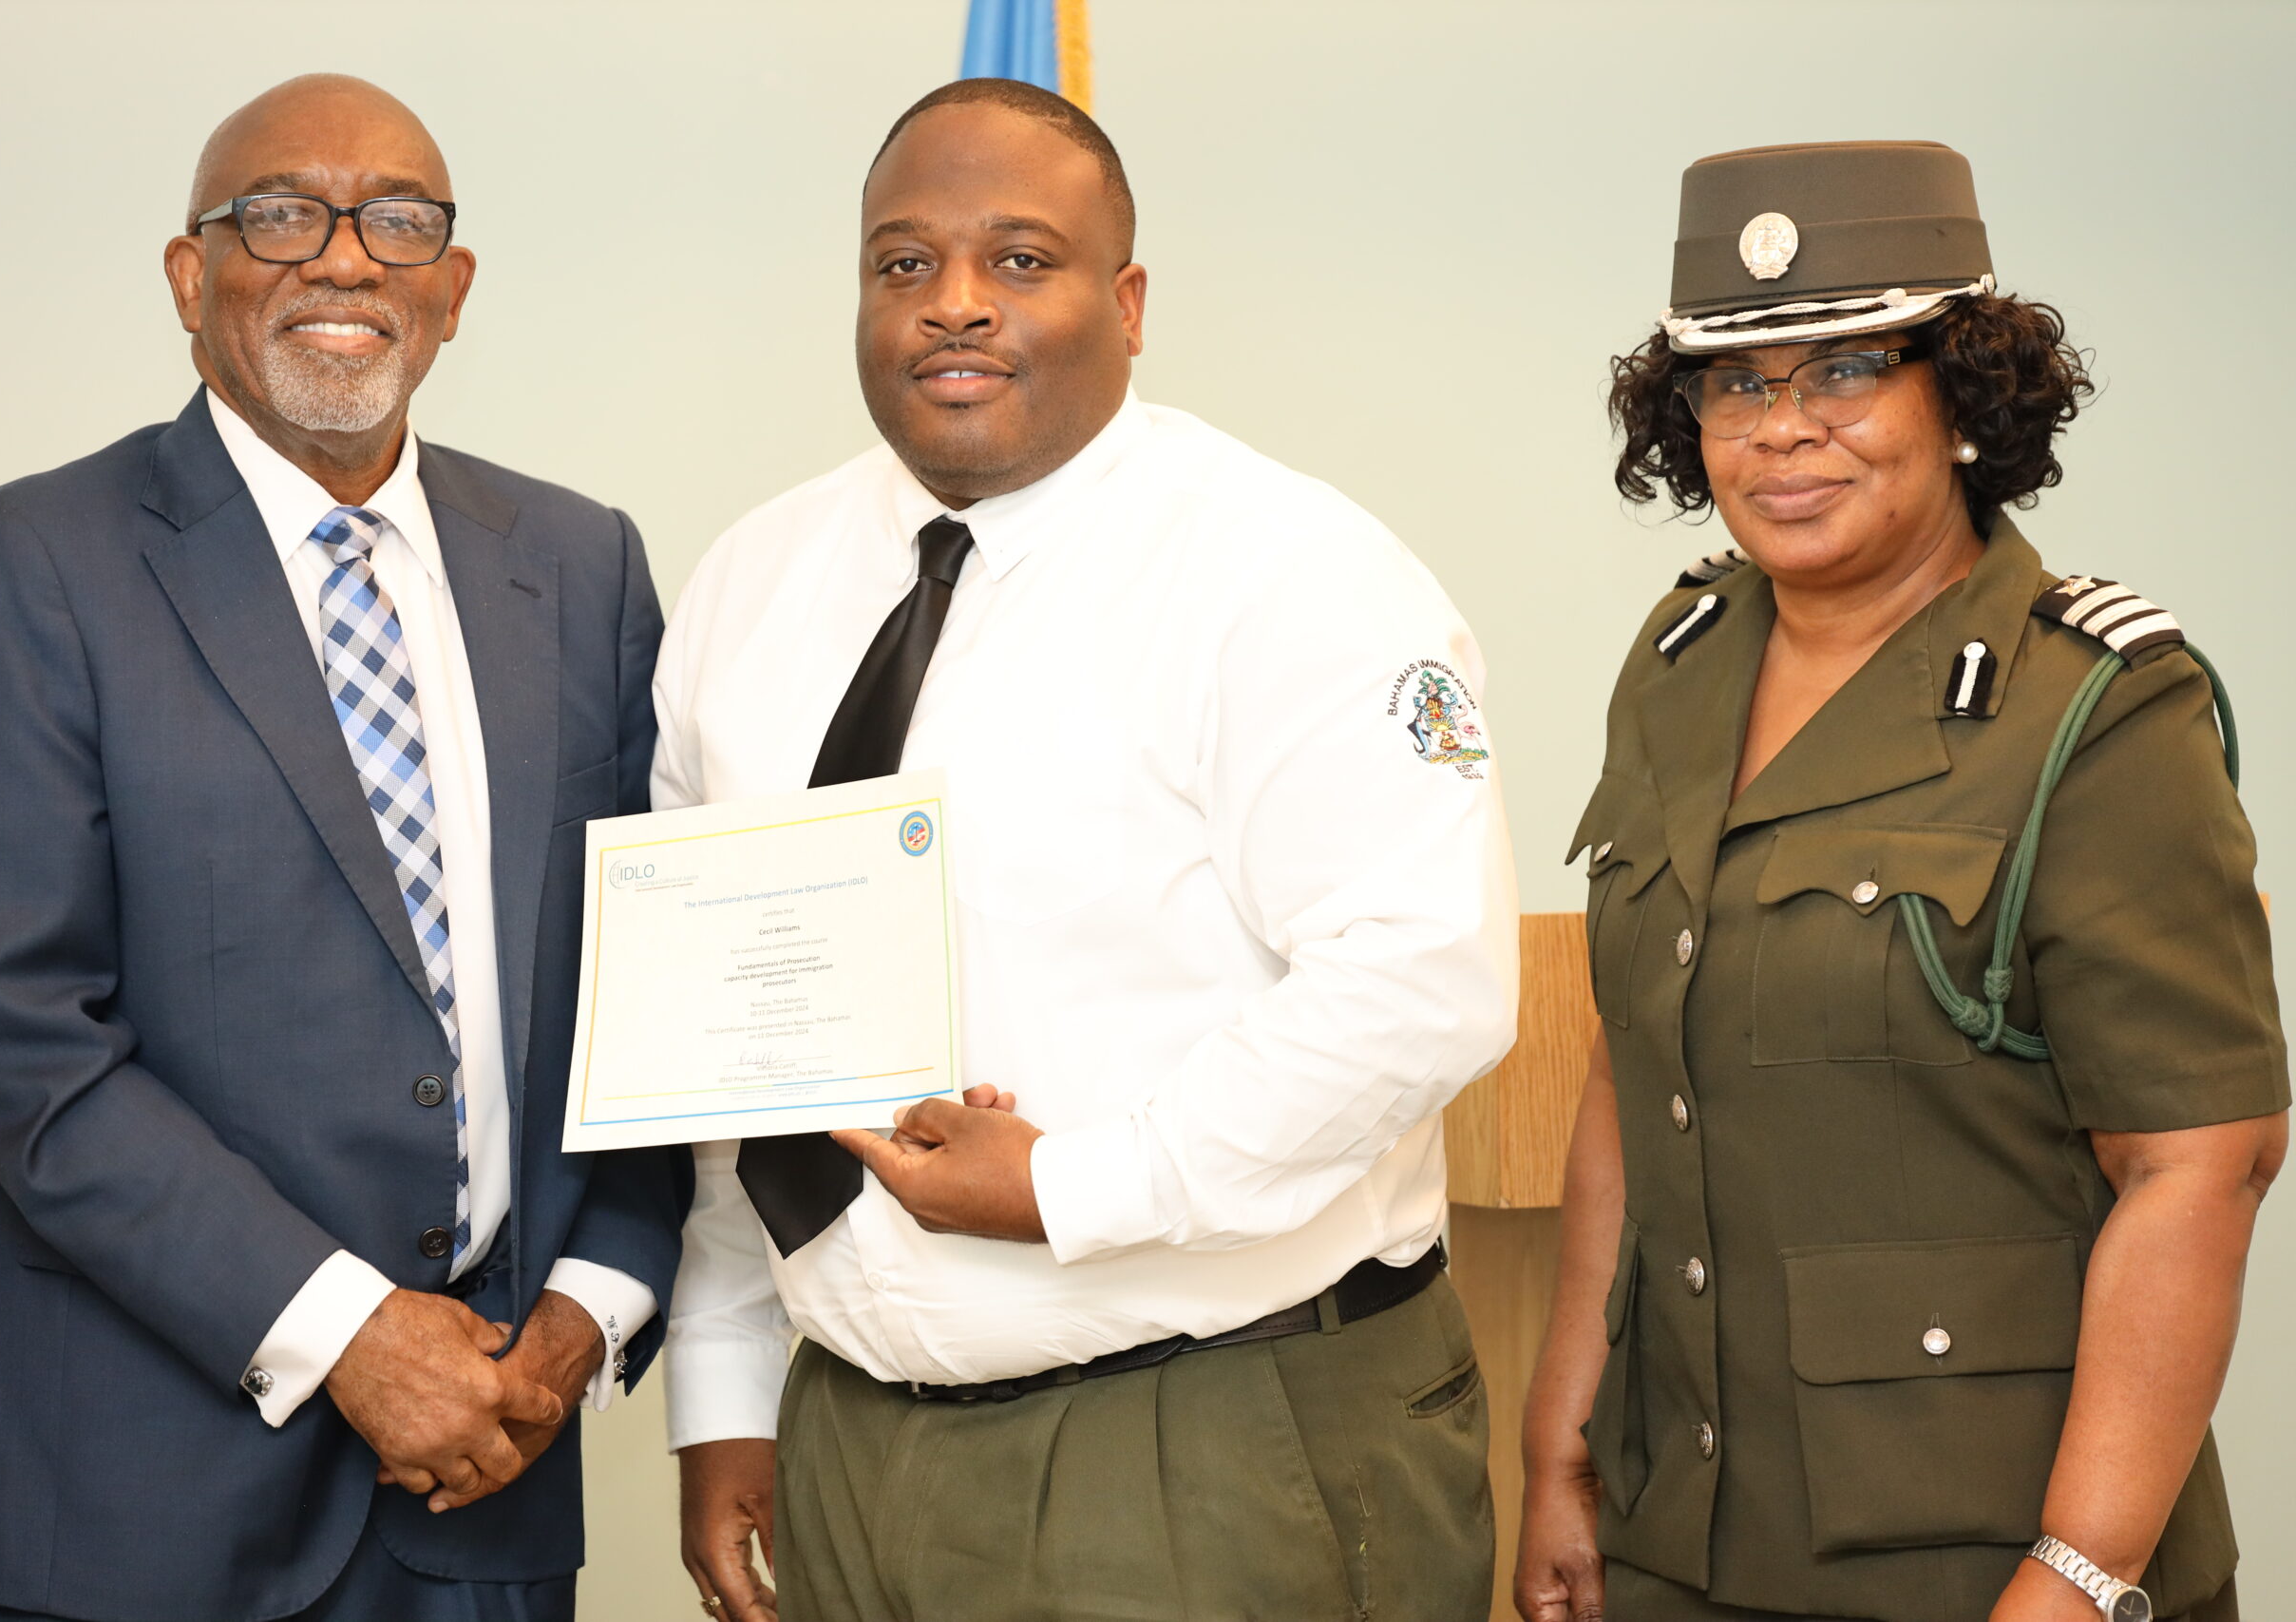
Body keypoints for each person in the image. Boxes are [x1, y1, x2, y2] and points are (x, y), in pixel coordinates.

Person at [656, 78, 1519, 1622]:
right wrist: (724, 1384)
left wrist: (1075, 1186)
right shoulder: (750, 584)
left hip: (1207, 1437)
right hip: (849, 1441)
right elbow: (730, 1030)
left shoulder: (1292, 572)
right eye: (904, 263)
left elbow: (1421, 987)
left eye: (1021, 259)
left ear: (1126, 303)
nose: (955, 303)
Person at [0, 75, 689, 1622]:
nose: (346, 257)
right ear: (191, 277)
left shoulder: (583, 566)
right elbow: (27, 1050)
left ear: (453, 288)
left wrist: (589, 1307)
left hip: (493, 1479)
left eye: (399, 222)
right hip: (132, 1507)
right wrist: (355, 1336)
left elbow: (646, 989)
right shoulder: (22, 567)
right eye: (282, 216)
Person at [1513, 141, 2288, 1622]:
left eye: (1848, 369)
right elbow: (1629, 1066)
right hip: (1687, 1544)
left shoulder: (2100, 706)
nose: (1782, 430)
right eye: (1735, 384)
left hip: (1987, 1559)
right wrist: (1565, 1448)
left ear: (1965, 396)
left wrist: (2075, 1576)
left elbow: (2200, 1164)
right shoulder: (1677, 667)